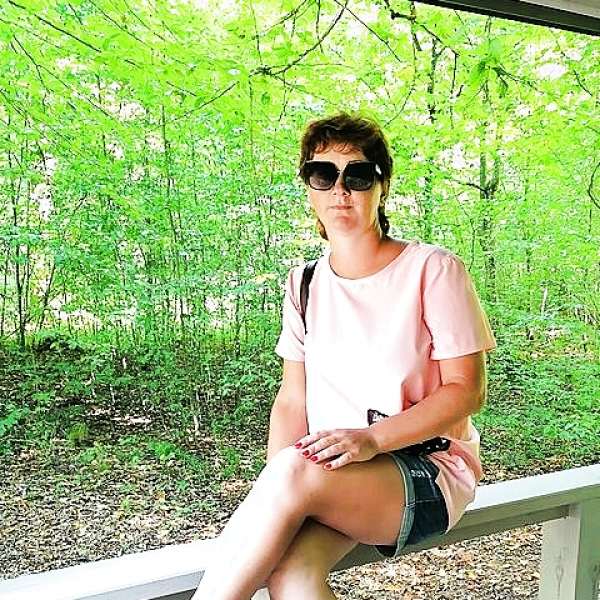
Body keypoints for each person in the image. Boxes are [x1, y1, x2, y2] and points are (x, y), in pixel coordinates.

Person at [192, 113, 497, 600]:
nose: (340, 190)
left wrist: (370, 440)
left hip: (427, 467)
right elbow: (292, 401)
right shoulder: (304, 283)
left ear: (382, 186)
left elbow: (466, 391)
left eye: (357, 176)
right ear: (308, 188)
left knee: (291, 471)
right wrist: (279, 494)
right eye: (322, 174)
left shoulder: (433, 270)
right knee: (292, 575)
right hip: (336, 471)